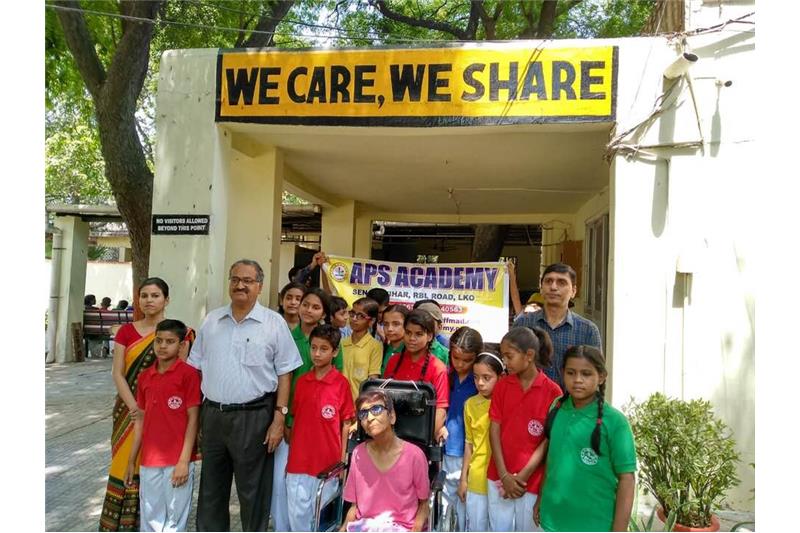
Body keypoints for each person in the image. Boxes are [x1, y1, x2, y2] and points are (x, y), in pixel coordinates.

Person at [188, 259, 302, 532]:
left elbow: (285, 373)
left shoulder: (273, 323)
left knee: (253, 492)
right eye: (235, 279)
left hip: (255, 418)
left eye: (247, 281)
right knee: (211, 492)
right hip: (214, 415)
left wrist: (279, 417)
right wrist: (200, 417)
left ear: (259, 286)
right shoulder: (212, 320)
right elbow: (196, 369)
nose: (240, 285)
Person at [100, 277, 193, 531]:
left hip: (163, 416)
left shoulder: (176, 332)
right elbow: (117, 373)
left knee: (158, 468)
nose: (149, 301)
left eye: (155, 295)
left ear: (166, 299)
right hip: (129, 413)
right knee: (125, 465)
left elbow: (181, 373)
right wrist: (134, 410)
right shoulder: (126, 332)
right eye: (144, 296)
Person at [534, 346, 636, 532]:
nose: (578, 380)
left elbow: (627, 480)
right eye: (571, 373)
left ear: (602, 377)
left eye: (586, 374)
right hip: (551, 519)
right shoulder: (557, 408)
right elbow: (552, 459)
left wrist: (619, 529)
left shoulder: (615, 422)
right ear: (562, 373)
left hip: (593, 523)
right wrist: (541, 497)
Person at [275, 287, 345, 530]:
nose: (316, 353)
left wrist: (343, 459)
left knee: (321, 504)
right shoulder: (285, 336)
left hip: (323, 437)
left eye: (316, 306)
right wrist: (284, 420)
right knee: (284, 488)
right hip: (291, 423)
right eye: (305, 303)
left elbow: (342, 414)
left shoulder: (338, 376)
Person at [124, 319, 201, 532]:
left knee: (175, 520)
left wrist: (184, 461)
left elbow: (193, 419)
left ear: (182, 345)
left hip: (178, 460)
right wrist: (132, 460)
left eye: (170, 341)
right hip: (149, 460)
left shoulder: (189, 374)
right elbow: (140, 420)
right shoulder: (145, 377)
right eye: (158, 341)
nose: (163, 346)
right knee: (151, 517)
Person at [487, 327, 562, 532]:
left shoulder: (553, 391)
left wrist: (522, 477)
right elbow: (494, 430)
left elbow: (548, 440)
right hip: (498, 476)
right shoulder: (502, 386)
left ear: (529, 356)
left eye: (509, 356)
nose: (505, 362)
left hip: (532, 482)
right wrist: (504, 476)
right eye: (503, 356)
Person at [286, 325, 355, 531]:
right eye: (313, 347)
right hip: (298, 464)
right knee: (297, 518)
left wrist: (342, 462)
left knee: (323, 521)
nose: (316, 353)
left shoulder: (341, 384)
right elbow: (295, 417)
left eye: (323, 349)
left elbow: (346, 424)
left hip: (328, 465)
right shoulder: (301, 382)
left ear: (335, 352)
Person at [341, 390, 431, 532]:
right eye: (363, 414)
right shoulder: (359, 454)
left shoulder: (415, 456)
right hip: (365, 527)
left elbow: (424, 505)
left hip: (402, 528)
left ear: (392, 416)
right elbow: (354, 507)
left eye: (376, 409)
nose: (369, 417)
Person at [512, 263, 602, 390]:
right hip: (529, 402)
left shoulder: (587, 330)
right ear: (541, 288)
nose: (553, 287)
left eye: (561, 282)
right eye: (548, 281)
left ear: (573, 291)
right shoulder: (523, 324)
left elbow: (594, 374)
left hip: (570, 405)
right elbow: (512, 367)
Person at [383, 309, 449, 440]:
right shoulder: (393, 361)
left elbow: (440, 411)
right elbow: (382, 398)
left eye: (418, 334)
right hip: (390, 436)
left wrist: (422, 437)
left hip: (420, 439)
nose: (411, 339)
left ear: (429, 336)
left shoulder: (438, 368)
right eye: (408, 333)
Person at [441, 327, 482, 531]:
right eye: (456, 358)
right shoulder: (448, 375)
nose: (460, 364)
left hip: (469, 451)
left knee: (464, 503)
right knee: (444, 502)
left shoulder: (479, 382)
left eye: (467, 360)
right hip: (445, 447)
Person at [459, 351, 505, 532]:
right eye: (476, 377)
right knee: (476, 526)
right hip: (477, 476)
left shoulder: (507, 402)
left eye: (487, 377)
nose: (480, 383)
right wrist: (464, 479)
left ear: (500, 377)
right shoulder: (470, 404)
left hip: (501, 478)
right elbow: (469, 443)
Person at [341, 297, 383, 401]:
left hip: (360, 403)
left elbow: (373, 380)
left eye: (361, 316)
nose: (354, 319)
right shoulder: (342, 343)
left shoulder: (375, 346)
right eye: (352, 314)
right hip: (339, 402)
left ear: (371, 321)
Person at [380, 304, 410, 374]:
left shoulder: (412, 352)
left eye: (396, 324)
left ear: (407, 325)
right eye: (385, 324)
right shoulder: (381, 350)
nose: (389, 329)